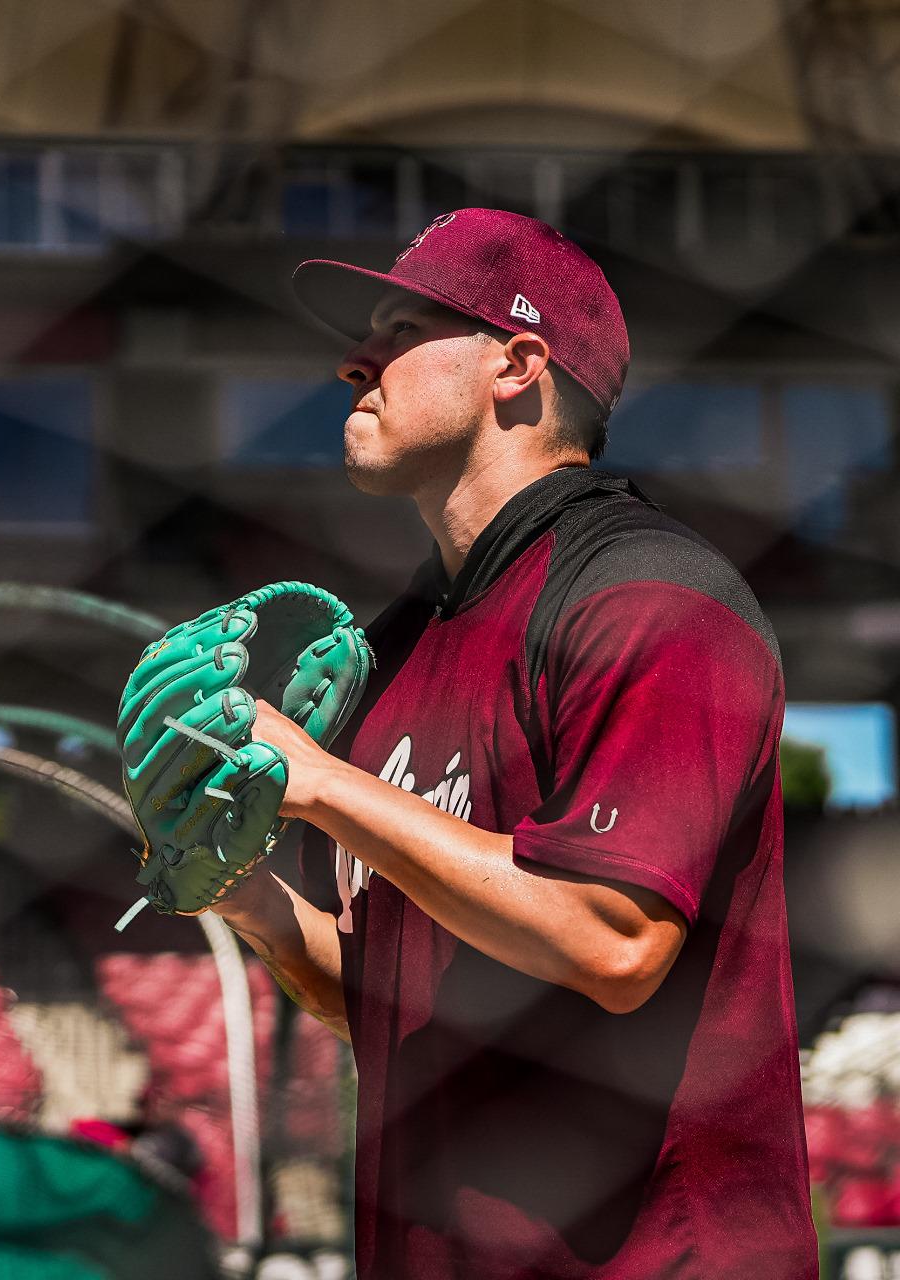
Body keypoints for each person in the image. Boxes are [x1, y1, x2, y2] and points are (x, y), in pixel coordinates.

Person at [209, 209, 818, 1278]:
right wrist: (241, 892)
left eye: (398, 329)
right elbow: (385, 999)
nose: (355, 358)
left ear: (517, 364)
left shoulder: (650, 598)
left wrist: (319, 782)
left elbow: (608, 939)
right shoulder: (388, 649)